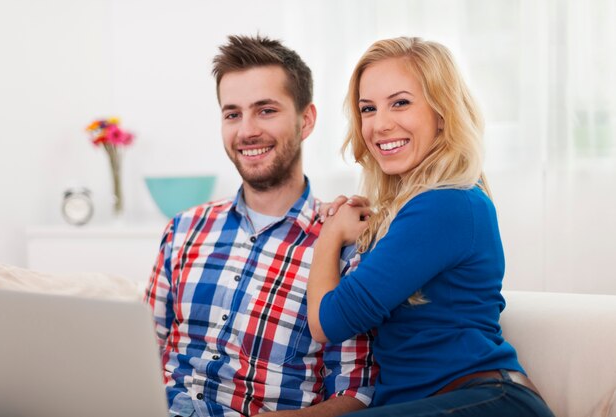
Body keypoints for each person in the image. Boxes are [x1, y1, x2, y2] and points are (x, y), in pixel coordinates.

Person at [306, 37, 555, 417]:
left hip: (484, 401)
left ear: (442, 113)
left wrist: (330, 237)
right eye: (368, 109)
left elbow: (328, 322)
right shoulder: (417, 210)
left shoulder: (447, 203)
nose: (380, 124)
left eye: (400, 103)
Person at [144, 35, 376, 417]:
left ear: (306, 120)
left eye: (265, 110)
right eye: (232, 114)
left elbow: (356, 392)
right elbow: (142, 354)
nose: (246, 130)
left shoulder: (345, 244)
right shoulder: (183, 231)